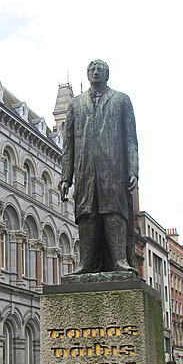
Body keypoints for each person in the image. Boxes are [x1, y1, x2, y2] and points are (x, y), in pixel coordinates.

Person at [59, 60, 139, 276]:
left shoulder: (121, 100)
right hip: (85, 169)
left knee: (113, 210)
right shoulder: (76, 104)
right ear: (87, 75)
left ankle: (119, 260)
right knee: (86, 213)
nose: (96, 73)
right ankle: (86, 263)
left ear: (107, 75)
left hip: (113, 168)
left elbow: (131, 139)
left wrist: (133, 170)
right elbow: (68, 144)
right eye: (92, 70)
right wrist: (66, 177)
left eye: (100, 70)